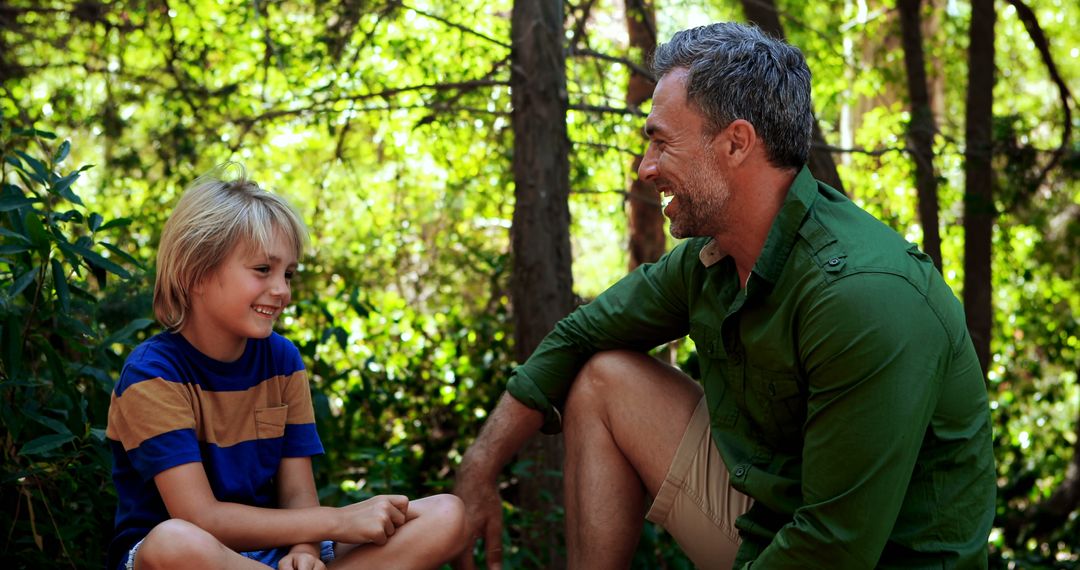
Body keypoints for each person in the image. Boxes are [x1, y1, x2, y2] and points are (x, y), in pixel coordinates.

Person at [453, 22, 995, 569]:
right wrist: (478, 467)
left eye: (662, 142)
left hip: (866, 557)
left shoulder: (862, 297)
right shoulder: (711, 259)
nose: (645, 170)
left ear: (736, 142)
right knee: (603, 379)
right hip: (770, 519)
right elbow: (579, 335)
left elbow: (834, 547)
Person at [106, 165, 467, 570]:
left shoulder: (282, 360)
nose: (281, 290)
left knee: (445, 514)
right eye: (263, 270)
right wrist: (340, 520)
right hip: (192, 555)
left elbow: (298, 495)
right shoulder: (152, 374)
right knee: (175, 542)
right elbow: (200, 517)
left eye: (288, 274)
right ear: (197, 274)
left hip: (272, 552)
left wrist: (305, 553)